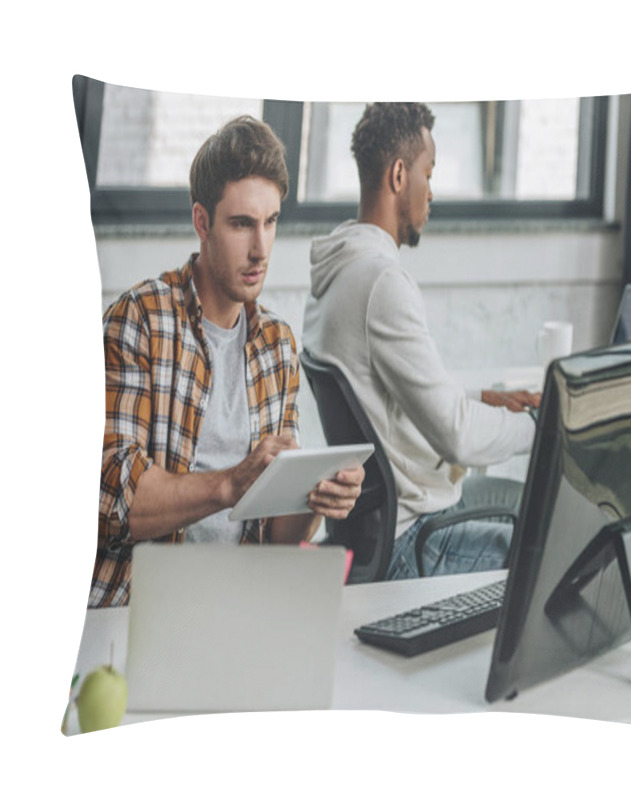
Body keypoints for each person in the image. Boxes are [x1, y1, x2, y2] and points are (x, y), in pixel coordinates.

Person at [91, 115, 364, 608]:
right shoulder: (138, 321)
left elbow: (277, 537)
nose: (260, 249)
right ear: (202, 221)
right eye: (242, 224)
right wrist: (229, 484)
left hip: (239, 605)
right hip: (141, 606)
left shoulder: (278, 345)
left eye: (271, 222)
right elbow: (110, 502)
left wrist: (315, 499)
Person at [302, 102, 538, 580]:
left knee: (517, 504)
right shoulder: (381, 282)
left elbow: (385, 409)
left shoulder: (334, 273)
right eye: (427, 174)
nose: (431, 192)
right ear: (398, 175)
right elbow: (458, 436)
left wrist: (481, 400)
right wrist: (541, 424)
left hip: (377, 531)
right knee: (554, 554)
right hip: (410, 543)